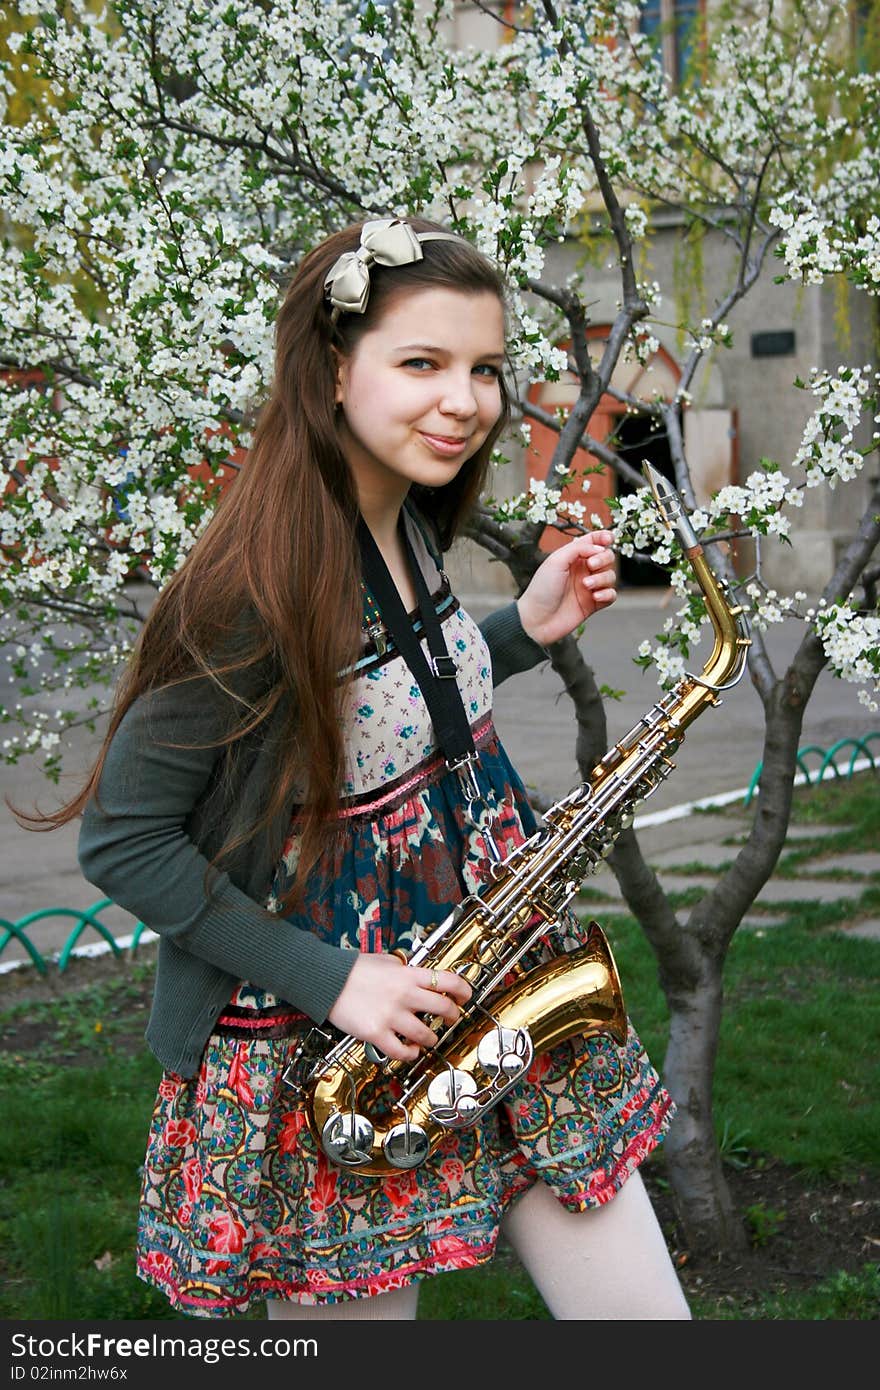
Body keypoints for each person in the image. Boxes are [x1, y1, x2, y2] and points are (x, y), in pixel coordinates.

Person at [65, 216, 690, 1320]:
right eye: (422, 363)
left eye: (485, 368)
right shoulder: (244, 590)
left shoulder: (404, 519)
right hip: (335, 1050)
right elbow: (123, 839)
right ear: (331, 372)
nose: (467, 400)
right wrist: (337, 981)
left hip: (491, 982)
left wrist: (518, 631)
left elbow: (383, 706)